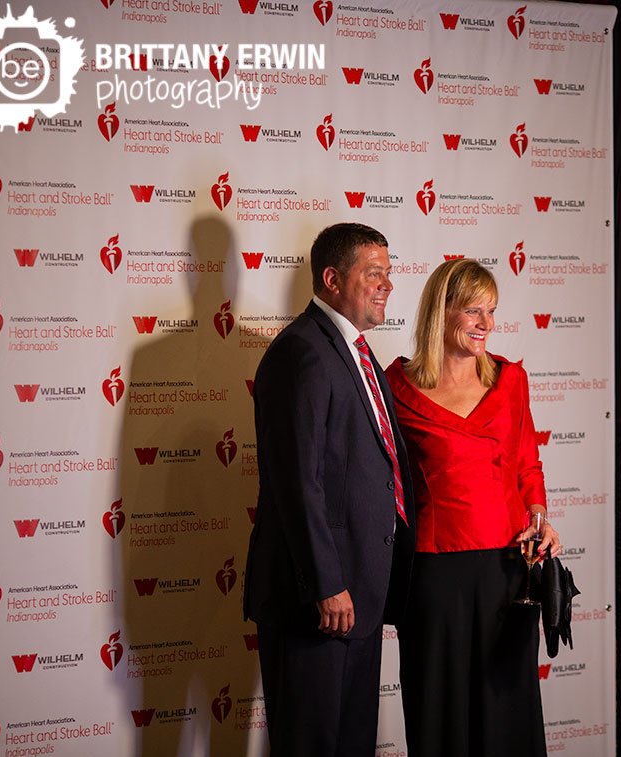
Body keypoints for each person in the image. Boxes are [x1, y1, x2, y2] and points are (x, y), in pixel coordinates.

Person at [243, 222, 414, 757]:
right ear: (333, 278)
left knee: (352, 744)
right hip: (319, 600)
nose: (386, 284)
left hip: (359, 593)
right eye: (374, 273)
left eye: (389, 273)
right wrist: (326, 583)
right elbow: (297, 482)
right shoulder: (304, 352)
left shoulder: (359, 354)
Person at [384, 259, 562, 757]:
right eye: (473, 310)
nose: (486, 323)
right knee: (439, 712)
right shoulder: (393, 388)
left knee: (507, 714)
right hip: (434, 574)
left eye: (492, 310)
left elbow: (528, 463)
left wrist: (539, 517)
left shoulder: (511, 381)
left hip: (508, 570)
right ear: (441, 312)